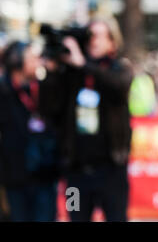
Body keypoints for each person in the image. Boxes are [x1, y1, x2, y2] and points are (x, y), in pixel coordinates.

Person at [43, 14, 133, 221]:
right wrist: (53, 72)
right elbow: (50, 108)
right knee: (76, 217)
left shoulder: (119, 68)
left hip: (112, 168)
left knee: (117, 217)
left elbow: (118, 87)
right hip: (76, 172)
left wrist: (83, 63)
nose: (94, 41)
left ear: (112, 41)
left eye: (99, 36)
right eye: (90, 35)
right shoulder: (71, 73)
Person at [0, 41, 59, 221]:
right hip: (14, 176)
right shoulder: (3, 92)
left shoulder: (45, 88)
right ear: (16, 62)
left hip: (44, 174)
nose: (38, 62)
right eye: (32, 58)